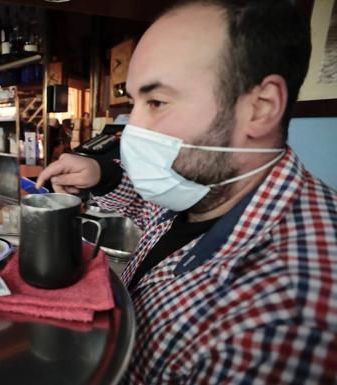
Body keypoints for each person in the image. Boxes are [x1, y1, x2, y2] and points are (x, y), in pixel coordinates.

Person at [37, 1, 337, 383]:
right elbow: (150, 211)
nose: (132, 130)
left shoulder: (279, 326)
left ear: (260, 109)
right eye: (134, 103)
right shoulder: (206, 186)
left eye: (157, 102)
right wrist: (103, 177)